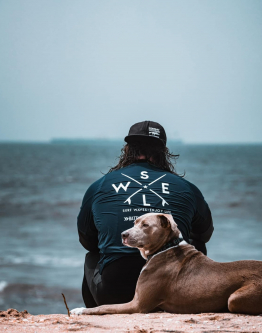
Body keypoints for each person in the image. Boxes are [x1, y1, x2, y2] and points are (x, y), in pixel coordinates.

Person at [77, 121, 214, 308]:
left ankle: (100, 312)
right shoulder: (188, 189)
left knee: (93, 254)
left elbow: (87, 240)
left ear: (127, 150)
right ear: (163, 152)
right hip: (175, 289)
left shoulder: (100, 185)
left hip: (115, 293)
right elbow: (204, 234)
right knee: (196, 244)